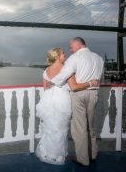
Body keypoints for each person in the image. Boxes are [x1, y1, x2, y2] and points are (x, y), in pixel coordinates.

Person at [35, 47, 99, 165]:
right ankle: (58, 156)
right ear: (58, 56)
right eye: (63, 53)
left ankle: (47, 154)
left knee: (50, 128)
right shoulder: (66, 69)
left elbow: (45, 89)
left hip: (48, 101)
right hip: (62, 100)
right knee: (61, 129)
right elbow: (74, 87)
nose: (65, 54)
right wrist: (91, 83)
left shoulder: (46, 70)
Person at [50, 37, 104, 166]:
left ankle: (82, 159)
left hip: (78, 94)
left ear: (78, 45)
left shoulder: (74, 58)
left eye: (71, 46)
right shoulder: (99, 58)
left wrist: (54, 81)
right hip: (94, 93)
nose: (70, 49)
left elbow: (62, 76)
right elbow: (99, 77)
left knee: (79, 128)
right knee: (90, 125)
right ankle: (93, 154)